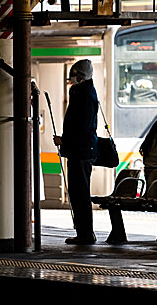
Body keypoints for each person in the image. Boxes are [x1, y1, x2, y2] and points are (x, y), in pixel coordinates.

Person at [53, 59, 99, 245]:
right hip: (80, 150)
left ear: (81, 77)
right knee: (78, 192)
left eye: (74, 76)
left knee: (80, 192)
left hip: (81, 151)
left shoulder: (84, 94)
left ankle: (85, 234)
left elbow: (81, 126)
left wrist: (65, 141)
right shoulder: (84, 92)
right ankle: (83, 232)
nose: (71, 80)